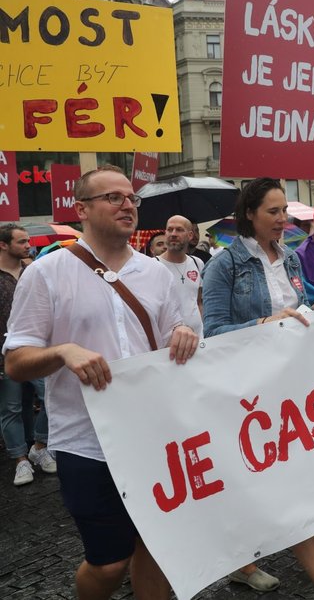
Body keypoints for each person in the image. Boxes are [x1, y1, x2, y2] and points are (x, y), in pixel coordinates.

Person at [3, 166, 199, 600]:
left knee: (157, 546)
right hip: (87, 443)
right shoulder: (46, 273)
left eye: (131, 198)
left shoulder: (156, 274)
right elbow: (15, 362)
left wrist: (184, 335)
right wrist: (62, 352)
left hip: (155, 434)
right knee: (109, 562)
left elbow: (175, 341)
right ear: (82, 209)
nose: (127, 205)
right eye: (113, 198)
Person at [201, 178, 314, 599]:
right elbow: (213, 332)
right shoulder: (224, 265)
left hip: (289, 386)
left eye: (284, 211)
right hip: (248, 391)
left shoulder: (291, 261)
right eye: (273, 212)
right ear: (249, 214)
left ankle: (243, 561)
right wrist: (262, 326)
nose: (283, 220)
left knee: (285, 478)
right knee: (278, 480)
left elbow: (297, 307)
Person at [0, 223, 55, 486]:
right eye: (22, 242)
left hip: (37, 351)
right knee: (11, 408)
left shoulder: (33, 271)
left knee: (50, 398)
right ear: (4, 245)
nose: (28, 246)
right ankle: (21, 460)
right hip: (5, 355)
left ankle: (39, 445)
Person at [155, 215, 204, 336]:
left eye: (179, 230)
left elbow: (199, 301)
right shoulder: (153, 265)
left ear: (190, 235)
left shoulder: (197, 263)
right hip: (169, 342)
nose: (173, 234)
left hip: (198, 338)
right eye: (170, 229)